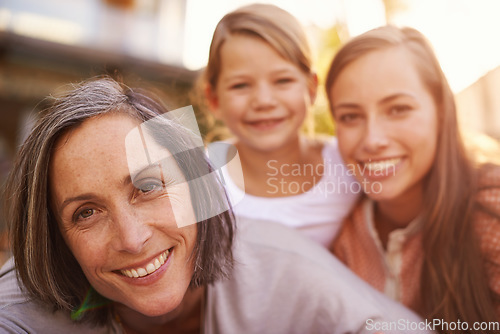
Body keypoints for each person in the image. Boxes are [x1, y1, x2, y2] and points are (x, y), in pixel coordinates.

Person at [0, 77, 431, 333]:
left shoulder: (282, 267)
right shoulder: (19, 313)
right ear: (57, 240)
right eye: (86, 213)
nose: (132, 239)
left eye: (148, 186)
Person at [326, 25, 500, 330]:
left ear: (442, 111)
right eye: (350, 116)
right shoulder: (342, 234)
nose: (373, 139)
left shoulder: (491, 210)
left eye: (398, 109)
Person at [201, 4, 358, 247]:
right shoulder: (202, 178)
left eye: (282, 81)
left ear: (311, 88)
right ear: (214, 99)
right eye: (240, 85)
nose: (264, 101)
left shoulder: (348, 164)